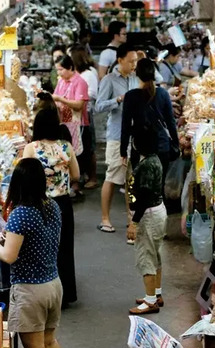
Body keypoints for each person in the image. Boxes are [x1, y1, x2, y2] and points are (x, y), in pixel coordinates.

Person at [0, 159, 66, 348]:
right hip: (53, 284)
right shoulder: (51, 206)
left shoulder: (22, 212)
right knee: (49, 341)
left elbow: (9, 256)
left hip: (31, 290)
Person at [22, 104, 80, 306]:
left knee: (39, 247)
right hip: (62, 203)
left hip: (39, 203)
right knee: (63, 247)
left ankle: (42, 293)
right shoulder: (66, 147)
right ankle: (66, 293)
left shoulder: (32, 148)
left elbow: (23, 176)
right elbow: (76, 175)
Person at [120, 58, 179, 237]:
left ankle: (140, 224)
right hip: (161, 147)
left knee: (139, 187)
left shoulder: (130, 96)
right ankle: (161, 229)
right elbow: (171, 123)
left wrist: (123, 150)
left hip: (141, 148)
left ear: (136, 73)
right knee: (158, 188)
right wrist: (175, 144)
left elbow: (125, 126)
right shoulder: (162, 94)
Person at [95, 44, 138, 233]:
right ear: (120, 61)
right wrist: (118, 100)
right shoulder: (109, 80)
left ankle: (131, 219)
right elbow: (98, 107)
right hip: (116, 136)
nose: (134, 64)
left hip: (134, 136)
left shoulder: (136, 79)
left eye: (136, 61)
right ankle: (105, 219)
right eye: (131, 61)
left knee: (131, 179)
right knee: (112, 177)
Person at [126, 123, 167, 315]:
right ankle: (156, 293)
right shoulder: (155, 160)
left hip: (148, 216)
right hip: (158, 211)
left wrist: (134, 223)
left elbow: (141, 198)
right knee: (155, 254)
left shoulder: (145, 166)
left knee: (146, 257)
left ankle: (150, 301)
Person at [71, 44, 99, 189]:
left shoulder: (88, 74)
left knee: (88, 146)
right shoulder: (78, 74)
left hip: (85, 114)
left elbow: (93, 93)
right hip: (76, 114)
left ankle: (93, 177)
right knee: (80, 146)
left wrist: (75, 97)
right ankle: (83, 175)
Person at [52, 55, 89, 163]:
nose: (59, 73)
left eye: (61, 69)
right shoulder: (61, 81)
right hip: (63, 123)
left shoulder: (80, 82)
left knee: (75, 155)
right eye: (57, 70)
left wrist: (60, 99)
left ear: (70, 67)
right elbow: (55, 97)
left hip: (77, 124)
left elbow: (79, 105)